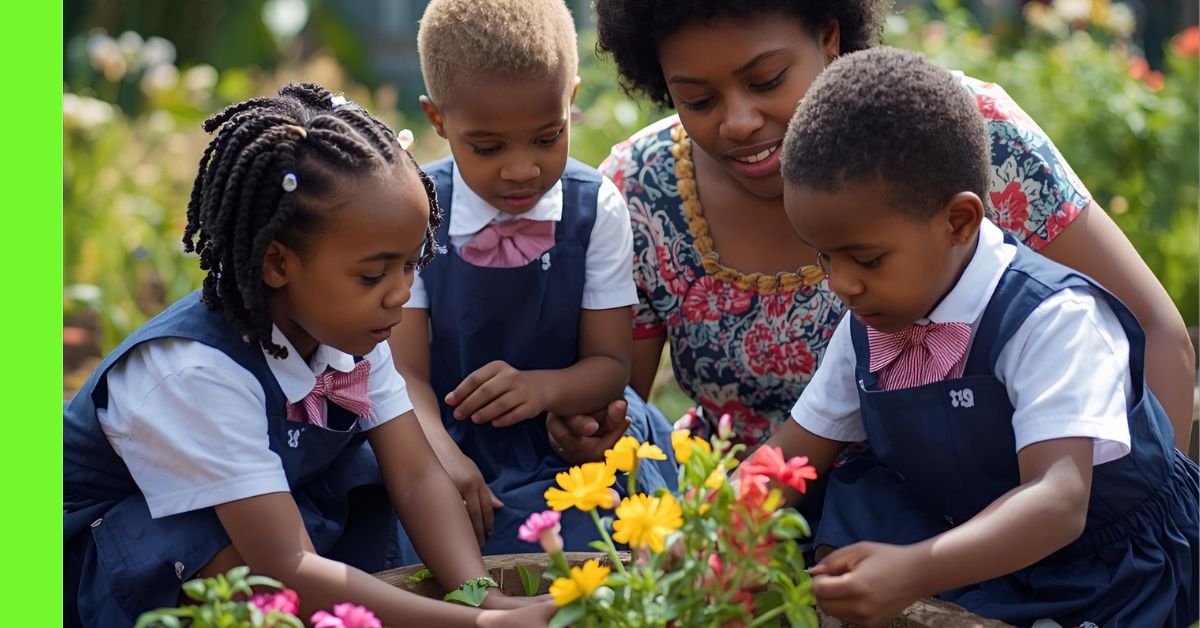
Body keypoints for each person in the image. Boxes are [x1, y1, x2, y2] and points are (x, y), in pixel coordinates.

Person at [583, 0, 1194, 452]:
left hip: (1000, 525)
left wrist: (1143, 528)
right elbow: (618, 409)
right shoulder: (643, 193)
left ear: (829, 35)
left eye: (766, 80)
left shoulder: (964, 137)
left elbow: (1155, 334)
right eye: (697, 100)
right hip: (765, 530)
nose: (738, 121)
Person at [63, 83, 553, 628]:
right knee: (217, 544)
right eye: (373, 274)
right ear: (276, 264)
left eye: (412, 265)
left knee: (366, 474)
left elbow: (417, 476)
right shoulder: (193, 373)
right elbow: (284, 568)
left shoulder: (356, 330)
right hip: (98, 568)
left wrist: (485, 600)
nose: (400, 293)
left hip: (266, 538)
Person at [758, 48, 1198, 627]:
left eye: (865, 258)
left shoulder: (1052, 319)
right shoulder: (870, 320)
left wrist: (913, 570)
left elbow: (1060, 501)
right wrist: (712, 532)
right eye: (824, 257)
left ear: (959, 222)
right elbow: (792, 454)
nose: (841, 283)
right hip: (963, 513)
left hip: (1098, 554)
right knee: (852, 501)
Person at [389, 0, 677, 558]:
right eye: (488, 147)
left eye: (547, 138)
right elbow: (403, 375)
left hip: (566, 441)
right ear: (438, 120)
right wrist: (440, 458)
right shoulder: (417, 209)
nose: (522, 168)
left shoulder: (597, 209)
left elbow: (610, 368)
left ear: (570, 101)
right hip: (440, 439)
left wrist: (540, 389)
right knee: (423, 549)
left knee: (601, 552)